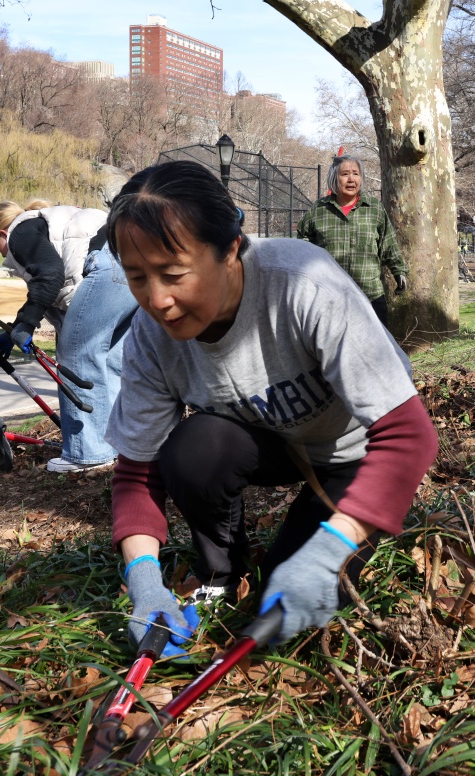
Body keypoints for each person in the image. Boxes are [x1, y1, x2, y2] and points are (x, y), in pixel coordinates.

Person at [103, 161, 438, 652]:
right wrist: (145, 585)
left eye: (174, 274)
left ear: (231, 248)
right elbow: (137, 473)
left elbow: (410, 437)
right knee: (195, 449)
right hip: (271, 441)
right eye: (137, 277)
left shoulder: (304, 283)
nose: (158, 301)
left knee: (282, 610)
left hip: (355, 454)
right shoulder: (151, 338)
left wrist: (329, 551)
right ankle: (220, 571)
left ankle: (312, 544)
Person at [0, 201, 135, 472]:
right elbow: (58, 286)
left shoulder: (21, 230)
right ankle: (113, 447)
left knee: (75, 356)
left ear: (3, 232)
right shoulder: (49, 222)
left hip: (105, 265)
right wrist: (17, 326)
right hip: (133, 265)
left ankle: (86, 454)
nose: (1, 254)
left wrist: (27, 324)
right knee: (109, 362)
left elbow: (50, 275)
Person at [296, 154, 408, 327]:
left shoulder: (374, 208)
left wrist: (398, 270)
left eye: (355, 173)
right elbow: (302, 246)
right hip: (329, 296)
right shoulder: (318, 210)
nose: (351, 179)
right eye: (345, 174)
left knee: (374, 350)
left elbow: (388, 242)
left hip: (370, 296)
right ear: (334, 178)